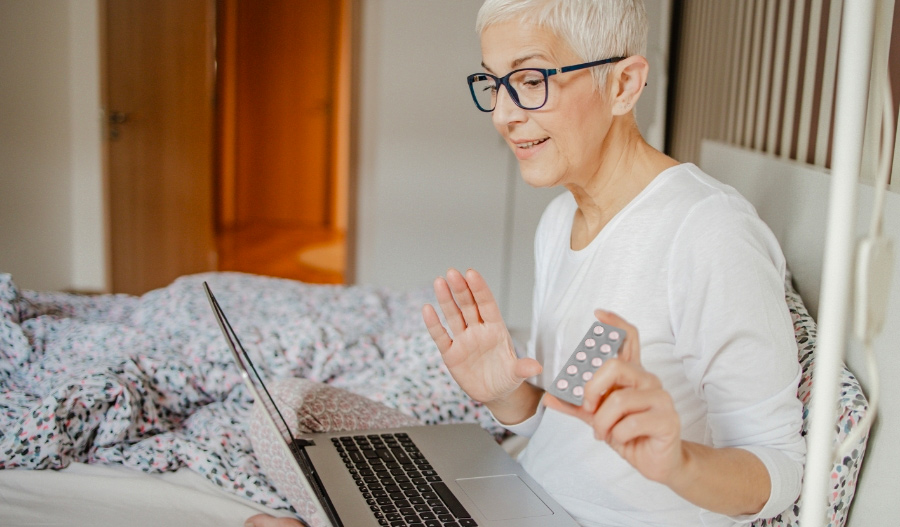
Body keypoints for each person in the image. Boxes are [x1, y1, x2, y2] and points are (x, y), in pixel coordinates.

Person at [247, 1, 805, 526]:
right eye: (493, 83)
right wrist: (504, 394)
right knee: (287, 412)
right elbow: (562, 418)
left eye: (531, 80)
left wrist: (678, 463)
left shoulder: (709, 231)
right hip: (522, 494)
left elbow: (781, 467)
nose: (503, 114)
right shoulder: (559, 220)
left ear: (624, 84)